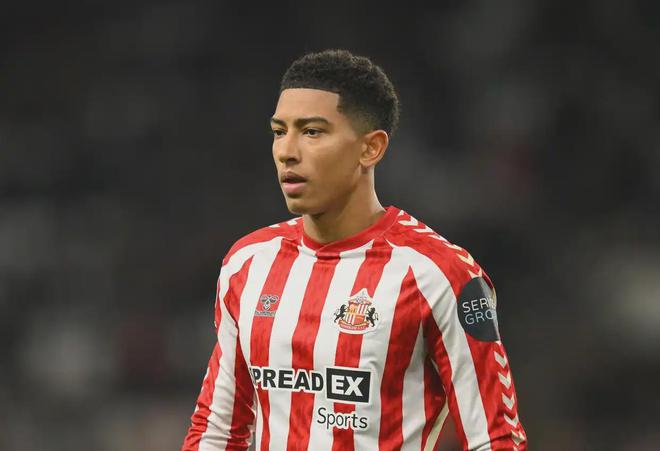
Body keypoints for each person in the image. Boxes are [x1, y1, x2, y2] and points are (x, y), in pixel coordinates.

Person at [182, 49, 526, 451]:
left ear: (370, 148)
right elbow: (217, 430)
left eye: (312, 132)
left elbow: (495, 439)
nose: (287, 151)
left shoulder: (440, 274)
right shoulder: (248, 263)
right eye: (279, 131)